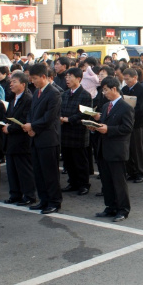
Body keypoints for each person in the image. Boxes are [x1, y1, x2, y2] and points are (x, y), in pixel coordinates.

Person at [22, 63, 63, 215]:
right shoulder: (37, 92)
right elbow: (31, 112)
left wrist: (33, 126)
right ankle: (44, 200)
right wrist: (29, 126)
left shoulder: (54, 93)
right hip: (36, 137)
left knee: (50, 173)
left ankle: (54, 201)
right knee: (38, 172)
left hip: (48, 139)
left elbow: (49, 118)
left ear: (44, 77)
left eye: (34, 78)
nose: (32, 81)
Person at [94, 76, 135, 222]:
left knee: (119, 182)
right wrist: (95, 127)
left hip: (117, 150)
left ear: (114, 89)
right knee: (106, 181)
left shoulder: (126, 107)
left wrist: (108, 129)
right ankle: (110, 206)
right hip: (104, 148)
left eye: (105, 90)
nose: (104, 93)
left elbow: (127, 128)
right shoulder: (106, 106)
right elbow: (104, 124)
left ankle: (123, 209)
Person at [2, 71, 37, 206]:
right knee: (12, 170)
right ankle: (15, 194)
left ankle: (29, 195)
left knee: (24, 170)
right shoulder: (13, 98)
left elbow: (24, 120)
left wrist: (9, 128)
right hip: (11, 140)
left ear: (23, 84)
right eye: (11, 81)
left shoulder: (28, 99)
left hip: (22, 140)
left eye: (14, 82)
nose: (11, 84)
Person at [60, 67, 93, 196]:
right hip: (65, 131)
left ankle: (84, 184)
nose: (67, 79)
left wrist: (69, 119)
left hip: (78, 132)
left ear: (79, 79)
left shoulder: (85, 95)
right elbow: (61, 109)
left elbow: (85, 114)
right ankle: (72, 182)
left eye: (70, 77)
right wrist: (61, 118)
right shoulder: (65, 94)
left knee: (80, 160)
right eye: (66, 77)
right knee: (68, 160)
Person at [121, 68, 143, 183]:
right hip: (126, 123)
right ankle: (131, 171)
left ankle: (141, 172)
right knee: (127, 149)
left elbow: (142, 109)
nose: (126, 82)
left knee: (138, 150)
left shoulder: (142, 90)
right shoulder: (124, 89)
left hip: (137, 123)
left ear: (135, 78)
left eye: (128, 79)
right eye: (125, 79)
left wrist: (129, 113)